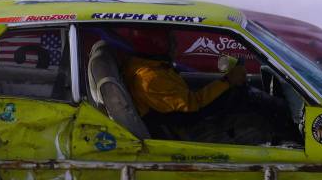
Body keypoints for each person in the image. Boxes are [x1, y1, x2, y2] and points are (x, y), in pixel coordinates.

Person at [119, 28, 289, 145]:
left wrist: (227, 83)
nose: (176, 44)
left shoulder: (153, 68)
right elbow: (192, 111)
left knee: (253, 116)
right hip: (190, 135)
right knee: (269, 138)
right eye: (171, 41)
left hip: (189, 126)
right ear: (157, 43)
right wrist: (227, 82)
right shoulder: (150, 78)